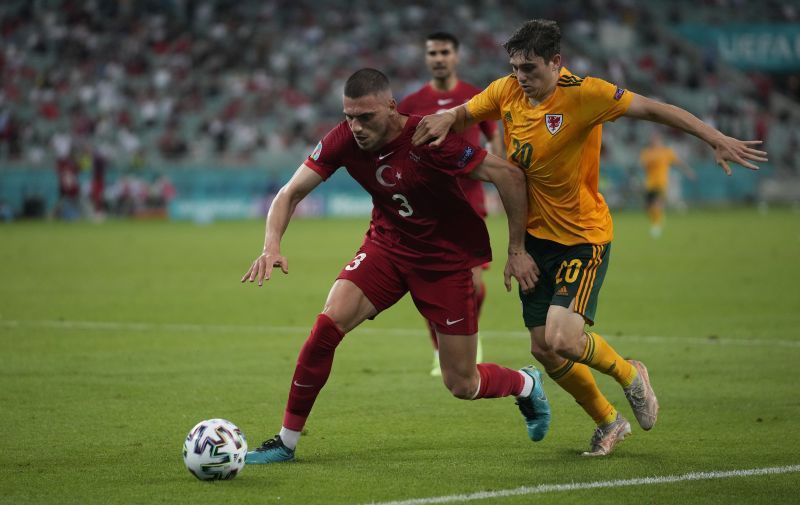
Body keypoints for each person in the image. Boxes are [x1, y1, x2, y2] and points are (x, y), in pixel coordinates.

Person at [412, 19, 767, 456]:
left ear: (556, 63)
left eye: (530, 68)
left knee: (563, 338)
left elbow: (654, 109)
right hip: (535, 240)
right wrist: (446, 117)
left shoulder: (587, 94)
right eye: (516, 67)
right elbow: (466, 112)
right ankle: (607, 420)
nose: (521, 77)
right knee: (544, 349)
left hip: (582, 236)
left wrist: (713, 137)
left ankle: (630, 374)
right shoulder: (506, 90)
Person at [241, 68, 551, 464]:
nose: (355, 126)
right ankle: (285, 442)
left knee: (462, 382)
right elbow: (289, 193)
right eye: (349, 116)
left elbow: (507, 176)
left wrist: (517, 249)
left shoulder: (429, 137)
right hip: (387, 249)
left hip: (444, 263)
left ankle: (525, 383)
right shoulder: (343, 138)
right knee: (325, 328)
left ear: (391, 107)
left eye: (365, 117)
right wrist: (271, 245)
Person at [398, 32, 503, 377]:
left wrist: (499, 174)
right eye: (433, 52)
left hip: (469, 203)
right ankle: (439, 350)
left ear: (456, 56)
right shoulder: (412, 103)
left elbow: (494, 135)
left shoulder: (475, 97)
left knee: (472, 285)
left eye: (445, 51)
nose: (439, 57)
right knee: (431, 286)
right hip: (428, 208)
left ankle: (469, 339)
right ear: (426, 58)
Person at [639, 132, 696, 237]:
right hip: (649, 183)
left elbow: (678, 162)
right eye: (653, 140)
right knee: (648, 208)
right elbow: (643, 166)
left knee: (657, 204)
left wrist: (688, 171)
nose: (654, 142)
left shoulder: (666, 152)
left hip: (661, 182)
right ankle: (657, 219)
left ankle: (656, 226)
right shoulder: (646, 152)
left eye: (656, 140)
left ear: (660, 141)